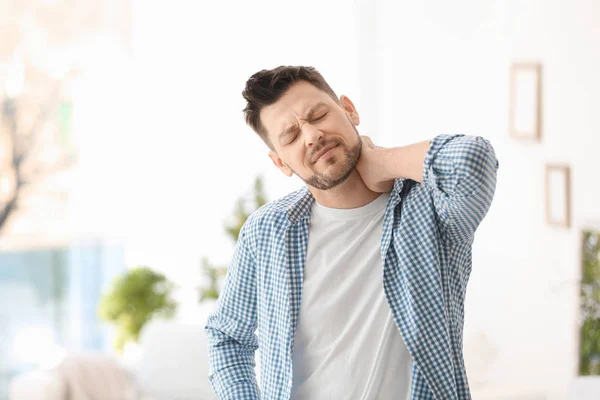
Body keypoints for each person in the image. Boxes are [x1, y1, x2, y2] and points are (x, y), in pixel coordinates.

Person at [205, 65, 499, 400]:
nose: (312, 135)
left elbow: (473, 159)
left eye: (318, 115)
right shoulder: (267, 232)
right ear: (280, 163)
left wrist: (382, 162)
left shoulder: (430, 208)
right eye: (291, 136)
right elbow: (228, 338)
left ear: (349, 110)